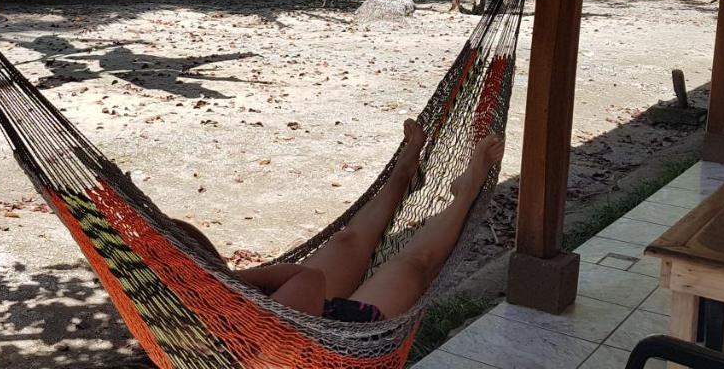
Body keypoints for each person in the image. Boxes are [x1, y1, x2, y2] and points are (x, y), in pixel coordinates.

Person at [175, 120, 505, 322]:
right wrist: (241, 280)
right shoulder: (249, 323)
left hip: (297, 309)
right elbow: (310, 281)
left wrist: (232, 283)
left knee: (345, 241)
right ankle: (466, 192)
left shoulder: (177, 320)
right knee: (410, 266)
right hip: (339, 341)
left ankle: (403, 176)